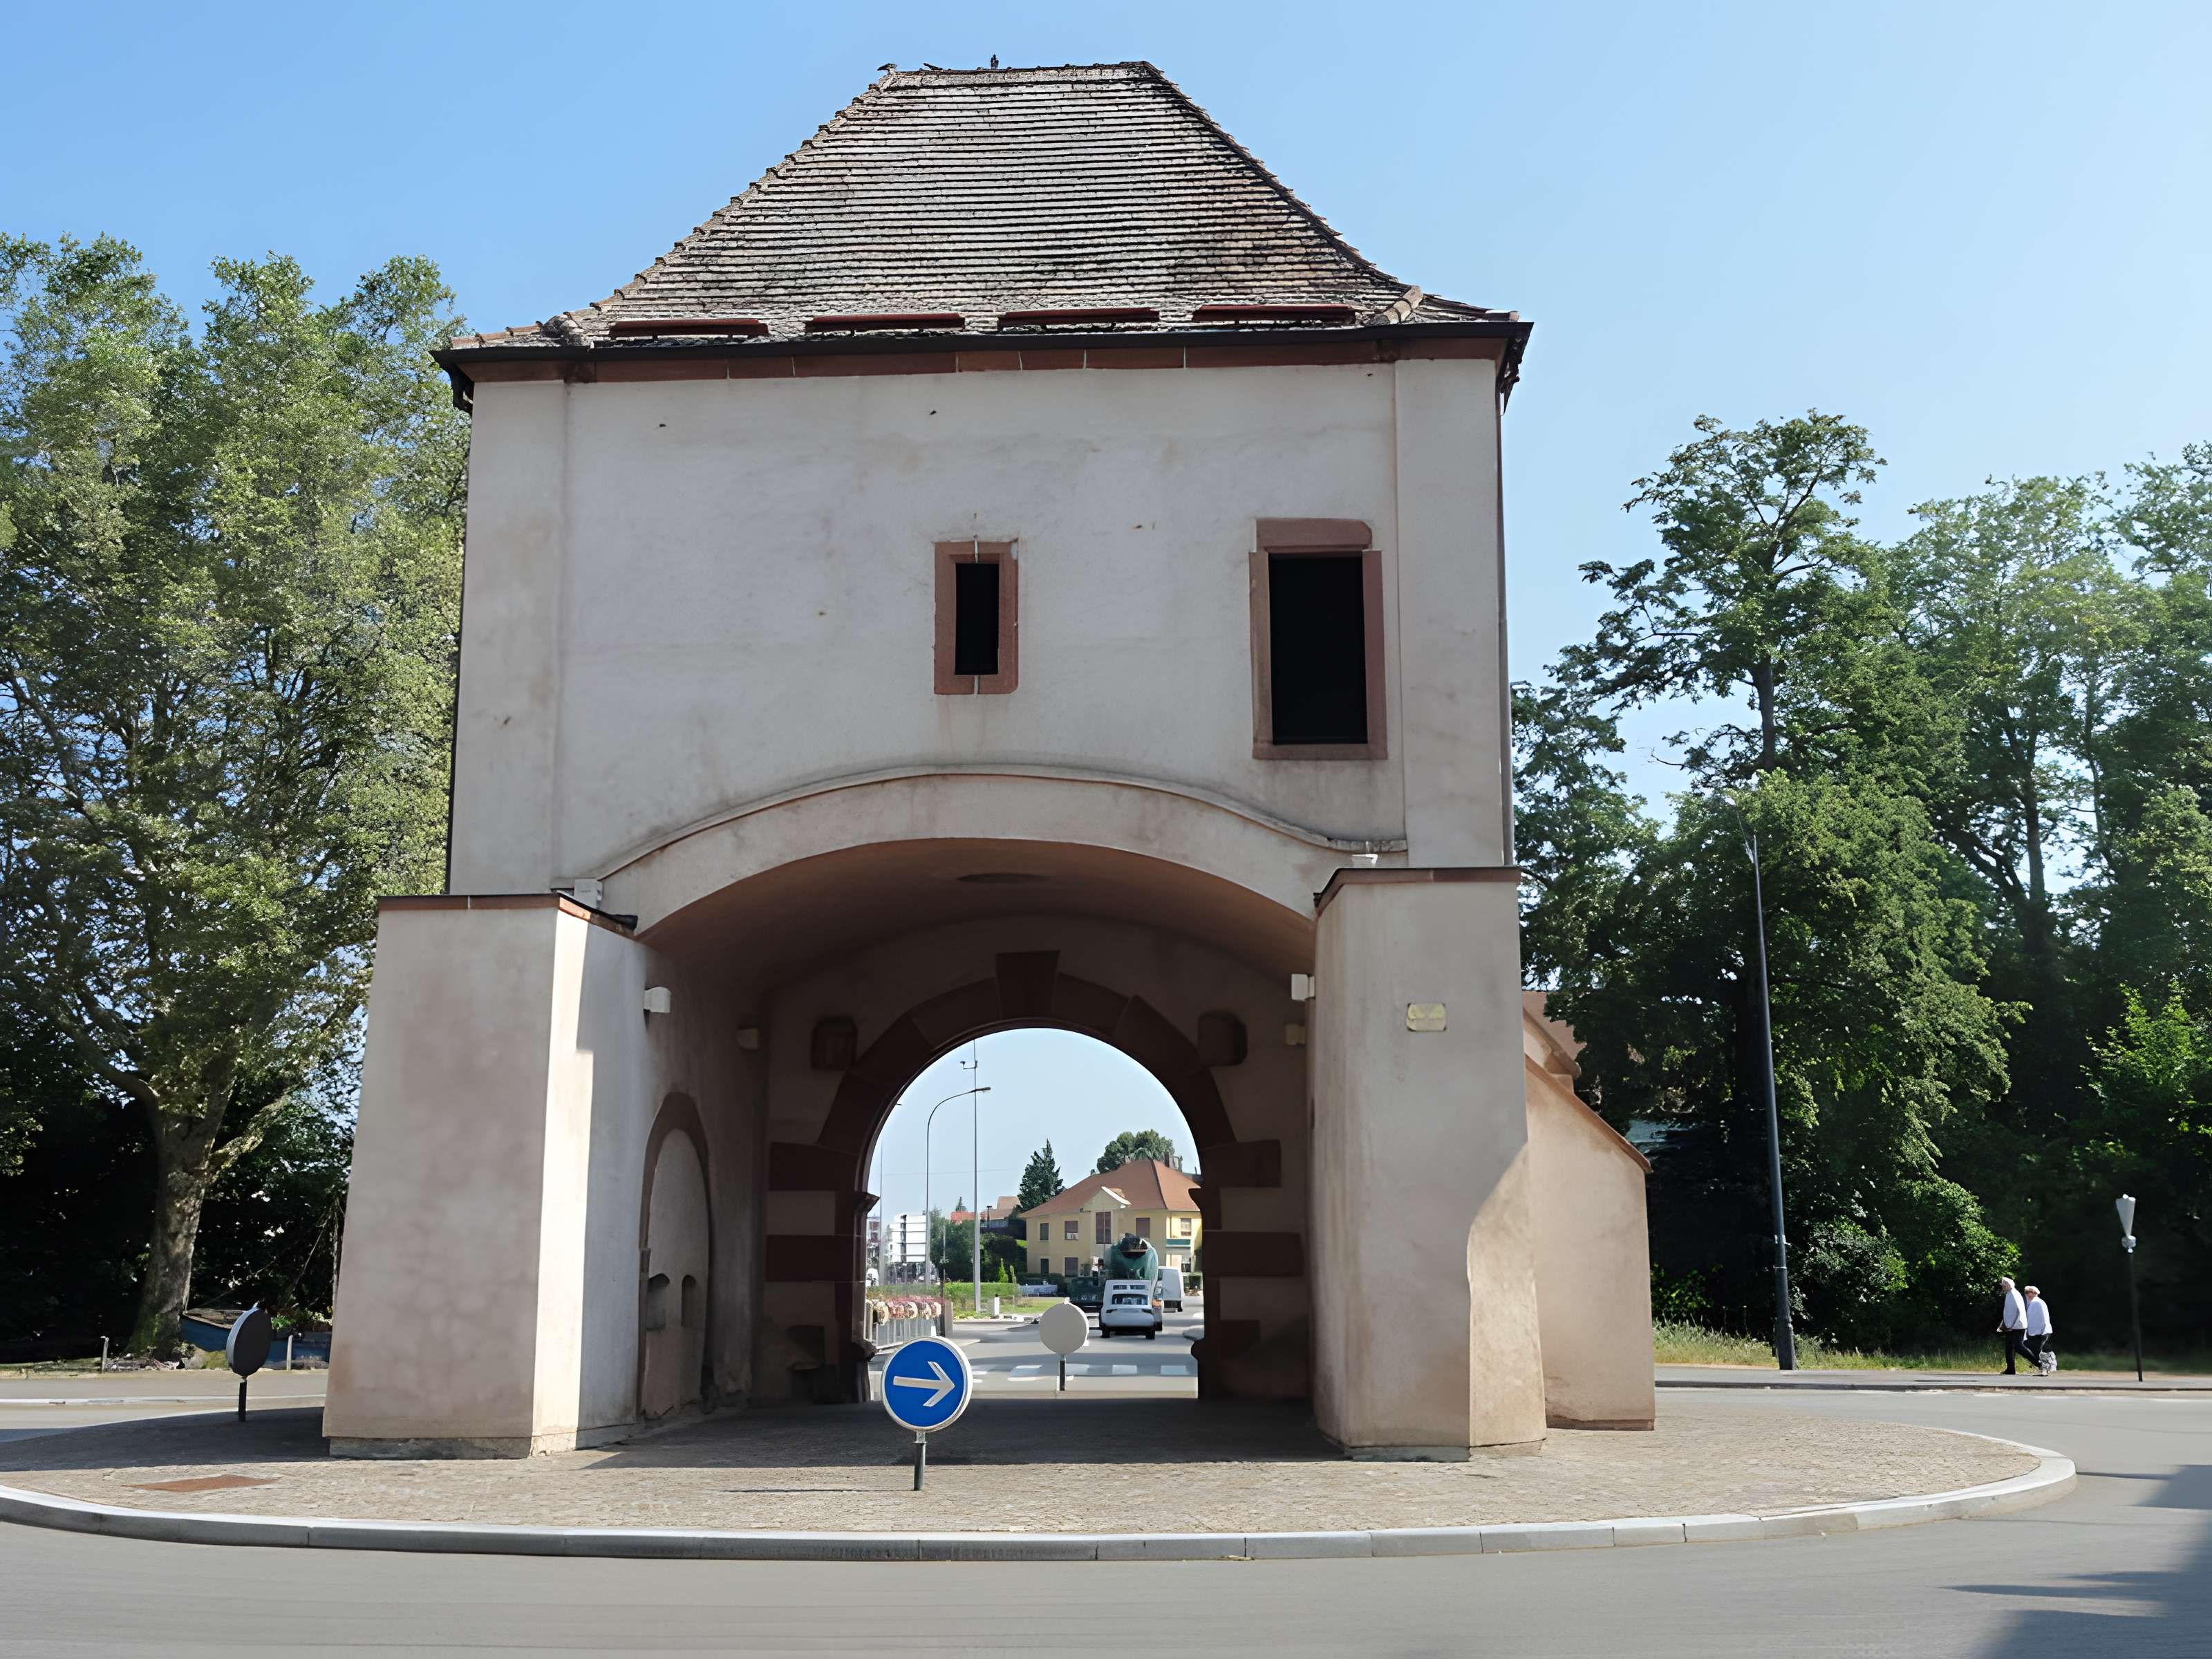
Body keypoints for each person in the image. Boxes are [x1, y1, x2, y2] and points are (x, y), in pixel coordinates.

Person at [1996, 1277, 2030, 1375]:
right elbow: (2008, 1313)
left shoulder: (2014, 1294)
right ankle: (2011, 1369)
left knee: (2018, 1347)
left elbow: (2018, 1312)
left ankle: (2038, 1363)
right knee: (2009, 1348)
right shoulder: (2009, 1294)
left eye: (2004, 1284)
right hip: (2012, 1326)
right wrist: (2003, 1324)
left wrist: (2012, 1325)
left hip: (2016, 1326)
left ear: (2008, 1285)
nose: (2002, 1286)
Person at [2023, 1286, 2056, 1376]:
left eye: (2027, 1292)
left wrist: (2039, 1331)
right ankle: (2048, 1368)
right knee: (2038, 1350)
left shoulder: (2036, 1303)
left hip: (2041, 1332)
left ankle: (2044, 1370)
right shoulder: (2038, 1302)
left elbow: (2039, 1319)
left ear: (2032, 1293)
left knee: (2037, 1351)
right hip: (2042, 1331)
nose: (2026, 1294)